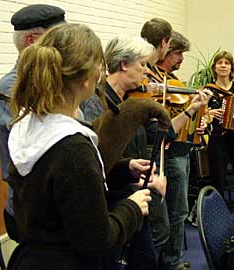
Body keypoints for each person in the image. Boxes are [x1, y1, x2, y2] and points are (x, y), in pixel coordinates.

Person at [6, 23, 157, 270]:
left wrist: (122, 169)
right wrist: (131, 208)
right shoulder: (73, 147)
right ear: (87, 79)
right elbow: (97, 240)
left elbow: (61, 185)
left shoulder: (28, 125)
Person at [81, 33, 211, 269]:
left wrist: (192, 109)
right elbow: (97, 158)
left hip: (137, 187)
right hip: (116, 199)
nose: (147, 72)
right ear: (124, 64)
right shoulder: (96, 102)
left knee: (156, 241)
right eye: (142, 64)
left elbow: (165, 132)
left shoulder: (134, 101)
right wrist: (130, 169)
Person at [0, 4, 66, 242]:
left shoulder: (51, 83)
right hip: (30, 212)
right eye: (56, 38)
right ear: (31, 40)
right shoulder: (12, 88)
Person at [155, 31, 197, 270]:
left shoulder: (175, 82)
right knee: (176, 210)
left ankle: (172, 258)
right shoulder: (157, 82)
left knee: (178, 210)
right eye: (178, 53)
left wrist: (202, 119)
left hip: (183, 150)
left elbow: (186, 119)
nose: (181, 58)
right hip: (171, 153)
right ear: (165, 51)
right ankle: (172, 261)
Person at [204, 50, 234, 225]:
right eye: (220, 63)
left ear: (231, 67)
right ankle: (218, 223)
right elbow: (200, 116)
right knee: (218, 181)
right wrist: (209, 113)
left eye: (227, 63)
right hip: (218, 139)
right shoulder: (208, 91)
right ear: (214, 67)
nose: (223, 65)